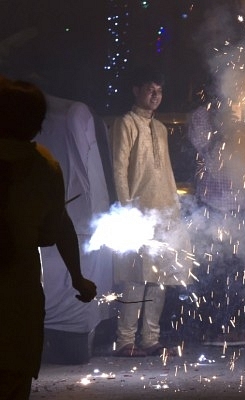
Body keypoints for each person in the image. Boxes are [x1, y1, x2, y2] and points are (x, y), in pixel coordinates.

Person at [0, 76, 97, 399]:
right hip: (17, 292)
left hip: (19, 288)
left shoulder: (44, 164)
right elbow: (57, 229)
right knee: (13, 379)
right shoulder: (43, 165)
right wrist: (78, 279)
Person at [110, 67, 190, 357]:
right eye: (149, 89)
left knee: (160, 278)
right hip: (137, 212)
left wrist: (175, 209)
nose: (155, 95)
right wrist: (126, 208)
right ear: (136, 90)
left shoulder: (160, 129)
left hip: (164, 212)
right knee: (135, 278)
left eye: (159, 90)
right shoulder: (126, 123)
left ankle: (150, 339)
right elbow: (119, 168)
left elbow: (165, 171)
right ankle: (125, 340)